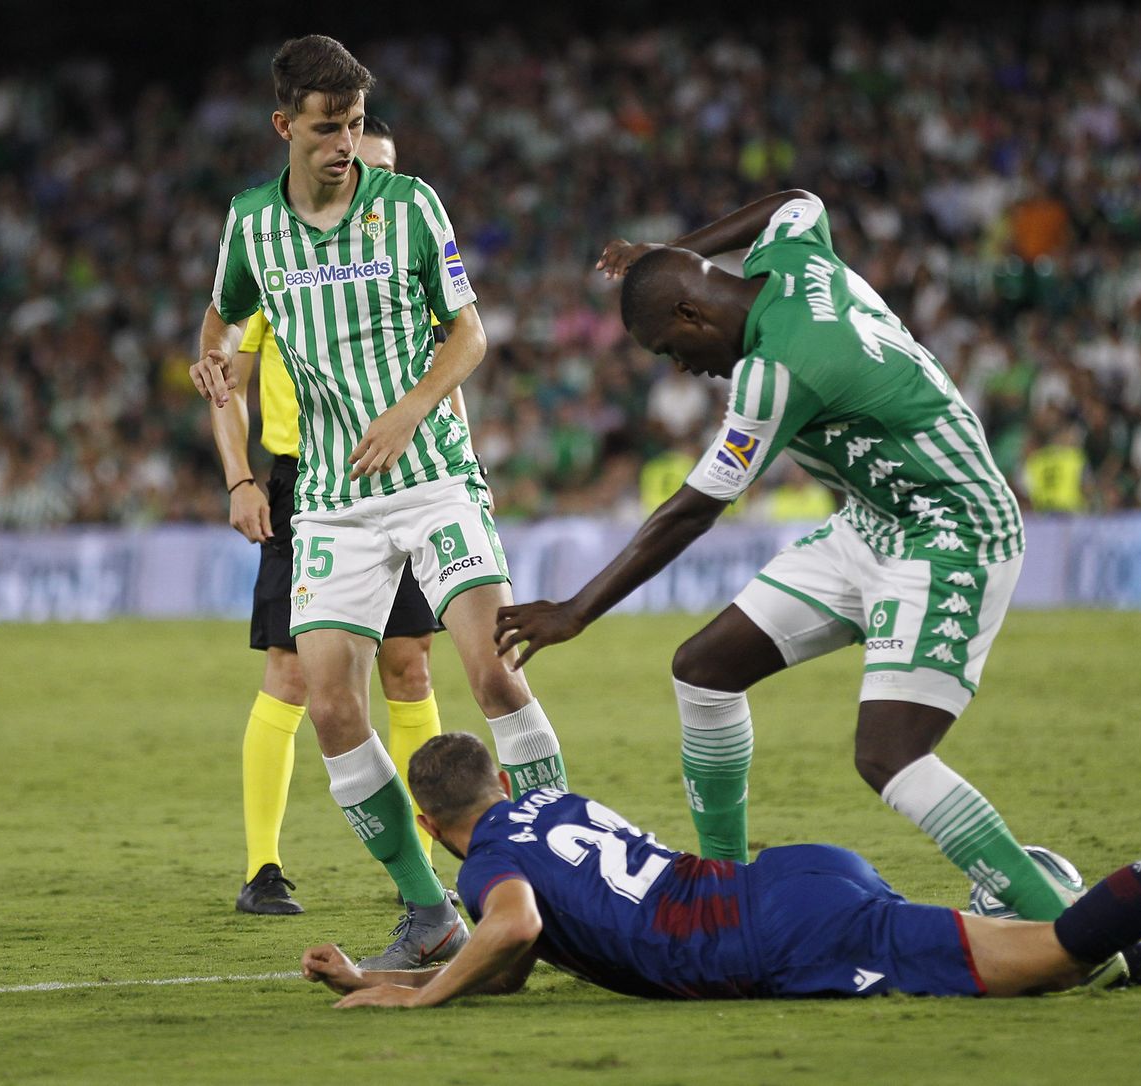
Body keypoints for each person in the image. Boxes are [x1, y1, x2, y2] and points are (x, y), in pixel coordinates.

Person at [494, 190, 1075, 929]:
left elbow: (694, 509)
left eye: (673, 351)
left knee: (889, 755)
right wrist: (670, 252)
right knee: (704, 670)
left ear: (693, 316)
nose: (682, 368)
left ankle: (1060, 925)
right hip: (872, 524)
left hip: (951, 531)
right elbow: (797, 201)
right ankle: (727, 896)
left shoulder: (776, 374)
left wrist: (577, 609)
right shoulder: (796, 257)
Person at [190, 35, 569, 967]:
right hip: (327, 495)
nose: (345, 146)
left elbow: (471, 335)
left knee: (486, 671)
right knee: (326, 704)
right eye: (327, 129)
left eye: (356, 125)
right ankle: (428, 909)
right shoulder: (251, 225)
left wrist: (407, 411)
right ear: (286, 126)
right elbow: (220, 324)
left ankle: (565, 868)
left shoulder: (408, 207)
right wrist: (217, 376)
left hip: (432, 474)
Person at [301, 732, 1141, 1007]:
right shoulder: (550, 801)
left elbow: (515, 933)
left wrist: (413, 1002)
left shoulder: (487, 856)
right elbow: (519, 966)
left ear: (439, 827)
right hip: (788, 879)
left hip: (782, 936)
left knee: (1046, 957)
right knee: (1016, 953)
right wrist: (380, 980)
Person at [211, 116, 462, 916]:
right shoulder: (279, 250)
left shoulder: (404, 247)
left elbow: (451, 360)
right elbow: (227, 370)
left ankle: (422, 862)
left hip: (410, 474)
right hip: (307, 483)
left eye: (378, 161)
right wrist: (240, 478)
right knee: (291, 678)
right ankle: (262, 869)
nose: (361, 173)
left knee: (410, 668)